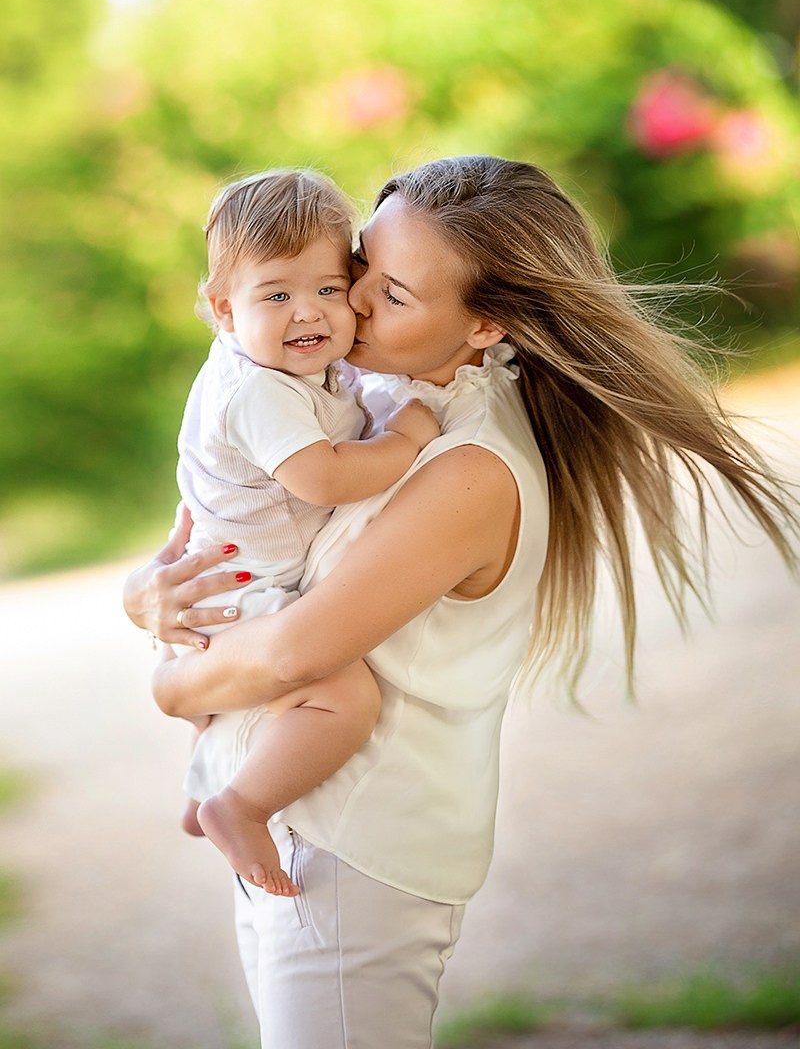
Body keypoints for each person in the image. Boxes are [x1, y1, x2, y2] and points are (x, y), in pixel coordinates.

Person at [124, 155, 797, 1049]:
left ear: (484, 324)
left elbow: (294, 655)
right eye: (361, 266)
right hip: (306, 820)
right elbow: (239, 512)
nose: (350, 304)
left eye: (390, 294)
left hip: (353, 852)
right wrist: (148, 594)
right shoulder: (386, 388)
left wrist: (172, 687)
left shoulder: (468, 467)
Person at [169, 168, 439, 897]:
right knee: (344, 699)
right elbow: (322, 477)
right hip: (239, 589)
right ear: (225, 311)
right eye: (276, 295)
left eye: (326, 288)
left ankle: (204, 786)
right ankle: (241, 805)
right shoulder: (257, 389)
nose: (306, 314)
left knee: (226, 706)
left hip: (224, 574)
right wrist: (406, 444)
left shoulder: (289, 365)